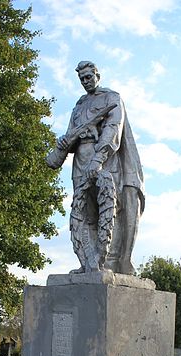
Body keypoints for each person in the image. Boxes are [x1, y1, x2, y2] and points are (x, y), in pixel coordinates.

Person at [52, 61, 145, 274]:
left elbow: (113, 129)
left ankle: (109, 262)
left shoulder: (112, 98)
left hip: (105, 161)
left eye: (88, 77)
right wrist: (66, 143)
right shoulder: (79, 106)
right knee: (85, 214)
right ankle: (88, 264)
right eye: (81, 78)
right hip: (80, 163)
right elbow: (71, 135)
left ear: (97, 75)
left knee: (112, 209)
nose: (85, 82)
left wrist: (99, 159)